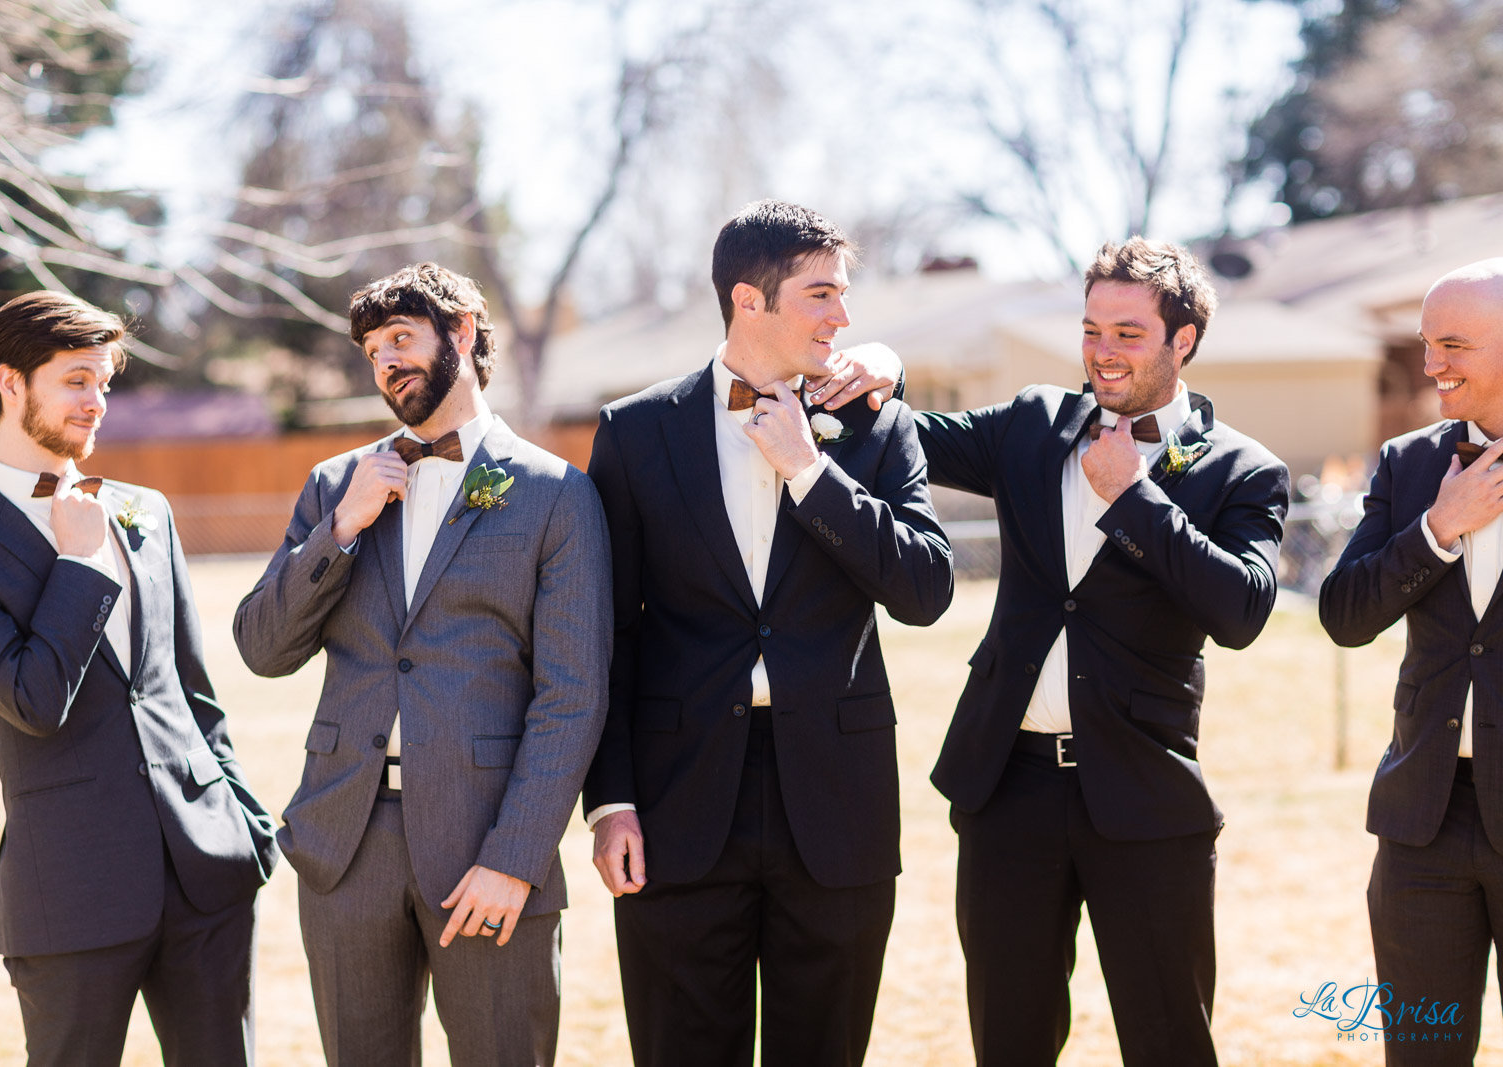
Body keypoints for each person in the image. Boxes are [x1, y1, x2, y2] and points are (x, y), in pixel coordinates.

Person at [581, 199, 954, 1067]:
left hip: (837, 799)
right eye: (821, 293)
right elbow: (609, 633)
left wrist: (810, 473)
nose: (844, 316)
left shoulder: (875, 425)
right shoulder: (634, 433)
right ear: (749, 299)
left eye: (844, 293)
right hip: (675, 806)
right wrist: (611, 799)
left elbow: (925, 590)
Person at [908, 237, 1290, 1064]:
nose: (1102, 352)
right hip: (1007, 786)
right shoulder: (1034, 424)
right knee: (1008, 1037)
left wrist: (1136, 497)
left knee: (1169, 1038)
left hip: (1145, 794)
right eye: (1090, 331)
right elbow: (910, 432)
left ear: (1182, 340)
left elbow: (1243, 609)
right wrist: (873, 364)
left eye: (1126, 333)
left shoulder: (1244, 471)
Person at [232, 262, 612, 1067]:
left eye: (401, 338)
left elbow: (572, 695)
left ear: (464, 334)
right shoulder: (336, 486)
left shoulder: (556, 493)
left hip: (488, 841)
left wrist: (515, 858)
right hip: (345, 845)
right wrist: (340, 528)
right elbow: (263, 648)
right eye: (373, 351)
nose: (387, 362)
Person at [0, 291, 279, 1067]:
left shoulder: (148, 512)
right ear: (13, 383)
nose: (97, 401)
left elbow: (190, 689)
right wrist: (78, 562)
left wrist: (243, 823)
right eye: (77, 379)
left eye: (104, 381)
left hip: (206, 872)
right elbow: (33, 700)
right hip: (70, 891)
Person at [1319, 258, 1503, 1062]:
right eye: (1427, 343)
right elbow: (1345, 613)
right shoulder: (1407, 464)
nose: (1432, 365)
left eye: (1453, 343)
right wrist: (1437, 528)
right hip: (1422, 824)